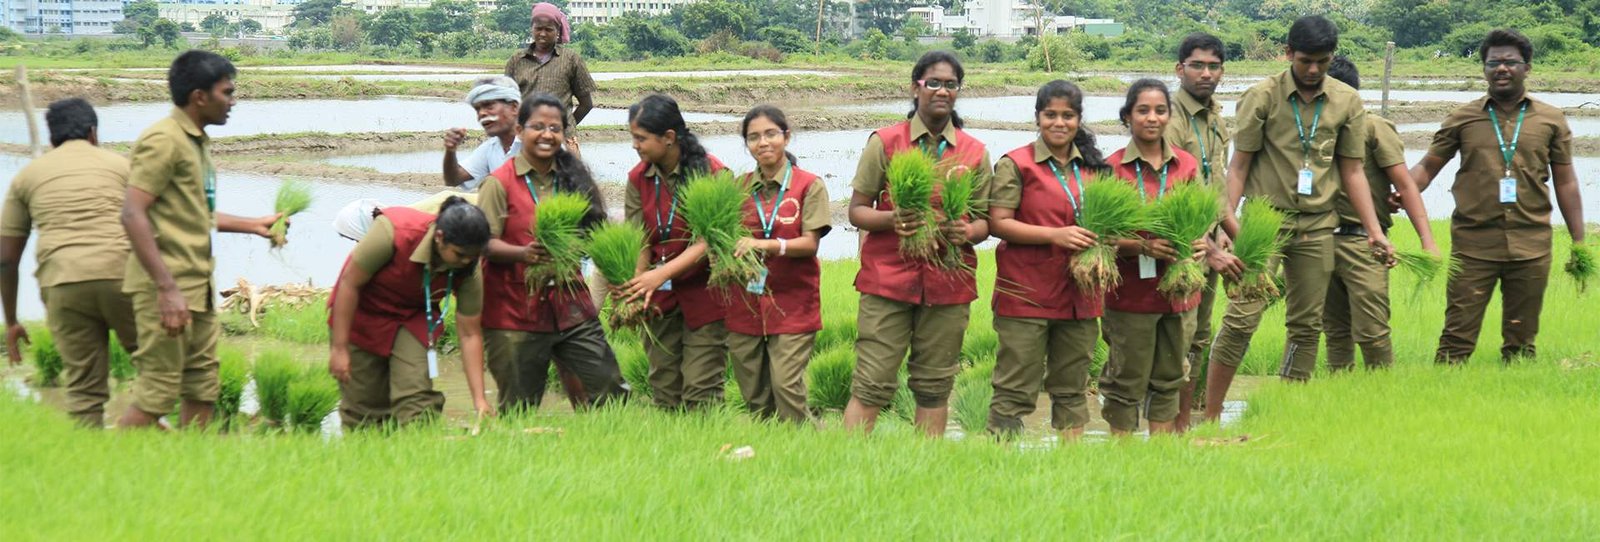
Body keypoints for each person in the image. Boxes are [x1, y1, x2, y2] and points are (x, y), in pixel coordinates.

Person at [1204, 16, 1395, 421]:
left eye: (1322, 62)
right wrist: (1222, 227)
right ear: (1288, 53)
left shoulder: (1346, 101)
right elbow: (1238, 169)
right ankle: (1211, 413)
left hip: (1317, 224)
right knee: (1242, 318)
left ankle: (1289, 410)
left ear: (1332, 59)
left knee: (1307, 326)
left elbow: (1353, 171)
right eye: (1306, 61)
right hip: (1263, 222)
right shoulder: (1263, 96)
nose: (1313, 70)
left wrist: (1375, 232)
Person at [118, 51, 282, 430]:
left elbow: (194, 214)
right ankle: (109, 470)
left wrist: (254, 224)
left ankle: (188, 471)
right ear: (199, 96)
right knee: (157, 393)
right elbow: (132, 212)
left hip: (198, 287)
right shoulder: (164, 140)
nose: (233, 101)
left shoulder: (197, 142)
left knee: (202, 387)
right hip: (168, 287)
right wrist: (166, 289)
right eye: (227, 92)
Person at [1410, 29, 1585, 364]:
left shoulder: (1551, 119)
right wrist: (1400, 192)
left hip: (1532, 245)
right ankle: (1441, 400)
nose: (1501, 69)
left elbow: (1566, 182)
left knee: (1522, 341)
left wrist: (1578, 241)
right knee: (1456, 338)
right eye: (1494, 63)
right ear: (1484, 69)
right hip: (1473, 244)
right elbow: (1427, 167)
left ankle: (1519, 401)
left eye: (1510, 62)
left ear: (1527, 66)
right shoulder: (1463, 118)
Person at [843, 51, 992, 437]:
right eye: (934, 83)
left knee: (935, 385)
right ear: (916, 87)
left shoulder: (974, 152)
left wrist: (968, 232)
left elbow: (987, 220)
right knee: (872, 382)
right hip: (887, 281)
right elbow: (857, 211)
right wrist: (893, 219)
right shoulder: (886, 142)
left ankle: (925, 470)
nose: (942, 91)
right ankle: (845, 464)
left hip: (948, 284)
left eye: (951, 84)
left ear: (958, 91)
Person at [476, 93, 627, 413]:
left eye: (555, 128)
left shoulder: (573, 178)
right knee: (519, 404)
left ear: (563, 134)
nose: (547, 134)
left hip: (570, 304)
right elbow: (483, 242)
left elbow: (596, 234)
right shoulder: (499, 183)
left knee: (609, 386)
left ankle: (609, 449)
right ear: (519, 130)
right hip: (516, 310)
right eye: (538, 127)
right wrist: (522, 254)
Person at [0, 98, 137, 427]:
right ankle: (154, 432)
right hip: (123, 278)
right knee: (160, 367)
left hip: (62, 284)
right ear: (93, 133)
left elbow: (5, 260)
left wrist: (13, 320)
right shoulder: (122, 166)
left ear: (52, 138)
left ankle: (93, 462)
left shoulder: (26, 177)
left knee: (84, 392)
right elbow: (151, 225)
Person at [985, 80, 1105, 441]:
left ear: (1079, 120)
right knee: (1014, 385)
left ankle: (1070, 470)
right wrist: (1056, 235)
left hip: (1079, 297)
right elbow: (998, 223)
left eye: (1068, 116)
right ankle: (999, 463)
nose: (1059, 123)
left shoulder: (1094, 168)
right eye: (1050, 114)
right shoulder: (1016, 164)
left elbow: (1108, 226)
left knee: (1072, 386)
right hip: (1026, 295)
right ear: (1037, 117)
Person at [327, 197, 494, 429]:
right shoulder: (393, 231)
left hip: (414, 318)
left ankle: (418, 452)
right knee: (364, 409)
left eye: (473, 256)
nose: (466, 262)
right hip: (362, 313)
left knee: (415, 399)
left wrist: (480, 400)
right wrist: (339, 348)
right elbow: (349, 284)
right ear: (440, 238)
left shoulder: (468, 267)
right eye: (459, 254)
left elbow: (469, 333)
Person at [1099, 79, 1203, 436]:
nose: (1152, 118)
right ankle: (1124, 456)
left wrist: (1199, 241)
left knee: (1170, 377)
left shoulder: (1186, 166)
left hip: (1178, 295)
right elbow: (1099, 236)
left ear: (1169, 116)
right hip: (1130, 296)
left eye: (1160, 110)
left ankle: (1159, 456)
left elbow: (1201, 218)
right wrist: (1141, 246)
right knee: (1125, 379)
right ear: (1127, 116)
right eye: (1142, 110)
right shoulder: (1111, 169)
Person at [1322, 56, 1438, 371]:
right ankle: (1340, 395)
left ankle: (1380, 390)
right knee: (1334, 331)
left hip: (1364, 243)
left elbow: (1405, 184)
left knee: (1372, 332)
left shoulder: (1373, 127)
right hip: (1318, 241)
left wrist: (1428, 242)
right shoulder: (1311, 131)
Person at [617, 94, 730, 411]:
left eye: (641, 138)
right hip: (660, 297)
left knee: (701, 389)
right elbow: (640, 238)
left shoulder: (712, 174)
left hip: (704, 294)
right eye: (633, 138)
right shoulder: (638, 178)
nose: (635, 146)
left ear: (668, 138)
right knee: (664, 388)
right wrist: (639, 284)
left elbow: (712, 238)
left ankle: (707, 452)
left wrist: (661, 274)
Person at [725, 105, 831, 424]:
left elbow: (810, 243)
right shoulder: (737, 188)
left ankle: (810, 449)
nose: (763, 143)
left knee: (786, 387)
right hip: (745, 303)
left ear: (786, 136)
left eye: (771, 134)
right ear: (747, 144)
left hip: (792, 303)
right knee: (755, 396)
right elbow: (725, 240)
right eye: (754, 137)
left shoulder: (808, 185)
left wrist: (764, 244)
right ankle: (771, 458)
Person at [1164, 32, 1242, 431]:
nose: (1206, 73)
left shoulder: (1215, 118)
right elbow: (1171, 195)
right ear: (1180, 69)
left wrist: (1230, 232)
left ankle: (1182, 428)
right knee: (1176, 340)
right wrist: (1209, 247)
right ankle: (1166, 429)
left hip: (1210, 242)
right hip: (1181, 248)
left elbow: (1217, 183)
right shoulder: (1169, 117)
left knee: (1198, 338)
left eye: (1214, 66)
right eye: (1197, 65)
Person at [505, 2, 595, 134]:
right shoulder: (516, 60)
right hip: (525, 138)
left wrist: (567, 127)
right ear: (532, 28)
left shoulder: (571, 59)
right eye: (538, 28)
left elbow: (586, 104)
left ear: (558, 31)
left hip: (562, 140)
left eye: (548, 29)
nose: (542, 34)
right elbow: (507, 102)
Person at [443, 76, 523, 191]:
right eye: (477, 109)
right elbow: (453, 179)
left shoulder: (536, 143)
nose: (482, 114)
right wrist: (450, 151)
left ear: (514, 107)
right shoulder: (491, 148)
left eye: (489, 106)